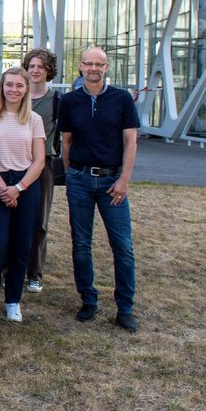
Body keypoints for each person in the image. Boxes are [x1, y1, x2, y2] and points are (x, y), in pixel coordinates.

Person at [59, 46, 140, 332]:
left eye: (99, 64)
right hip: (80, 179)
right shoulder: (69, 101)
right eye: (88, 63)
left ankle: (125, 307)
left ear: (107, 67)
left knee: (123, 246)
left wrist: (124, 180)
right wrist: (71, 175)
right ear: (80, 66)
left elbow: (131, 142)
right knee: (81, 244)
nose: (93, 68)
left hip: (112, 182)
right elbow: (66, 142)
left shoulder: (122, 99)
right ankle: (89, 300)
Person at [0, 67, 45, 323]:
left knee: (22, 244)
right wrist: (3, 186)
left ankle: (13, 301)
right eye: (9, 85)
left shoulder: (34, 119)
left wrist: (19, 188)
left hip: (26, 185)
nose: (14, 90)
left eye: (19, 85)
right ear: (2, 87)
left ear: (26, 89)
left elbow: (39, 161)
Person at [24, 48, 60, 294]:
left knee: (40, 220)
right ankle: (7, 267)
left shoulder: (57, 100)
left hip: (44, 162)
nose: (35, 71)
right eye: (32, 66)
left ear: (48, 72)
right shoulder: (16, 95)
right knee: (12, 219)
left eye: (41, 67)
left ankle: (34, 273)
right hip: (15, 161)